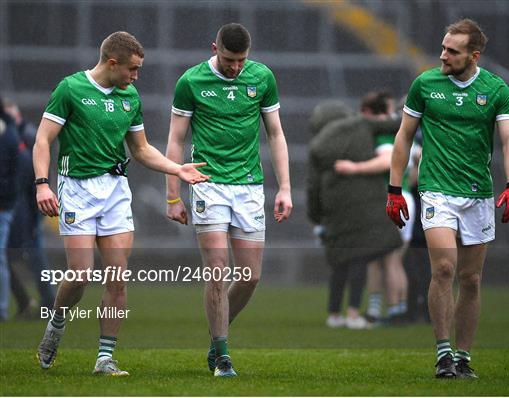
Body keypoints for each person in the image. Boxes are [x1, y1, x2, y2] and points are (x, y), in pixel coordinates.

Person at [34, 31, 209, 376]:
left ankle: (105, 358)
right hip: (77, 191)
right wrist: (42, 185)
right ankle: (56, 324)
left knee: (117, 278)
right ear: (112, 63)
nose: (136, 76)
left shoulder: (130, 96)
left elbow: (141, 150)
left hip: (115, 191)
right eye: (132, 69)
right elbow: (43, 139)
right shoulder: (70, 89)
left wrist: (177, 168)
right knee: (81, 275)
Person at [387, 19, 509, 379]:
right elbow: (403, 137)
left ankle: (463, 357)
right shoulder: (425, 85)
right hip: (436, 190)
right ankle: (443, 353)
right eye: (443, 48)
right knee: (444, 269)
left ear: (473, 56)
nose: (443, 55)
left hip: (477, 193)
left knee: (471, 279)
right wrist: (394, 189)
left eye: (452, 51)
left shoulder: (496, 90)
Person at [165, 23, 293, 377]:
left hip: (250, 186)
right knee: (218, 270)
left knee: (250, 276)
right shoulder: (191, 82)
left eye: (241, 60)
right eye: (228, 59)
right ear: (214, 49)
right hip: (208, 184)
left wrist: (284, 188)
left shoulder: (262, 77)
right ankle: (222, 355)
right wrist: (173, 194)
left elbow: (276, 133)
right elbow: (175, 140)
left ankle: (217, 332)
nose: (235, 67)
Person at [307, 100, 402, 330]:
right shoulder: (362, 125)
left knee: (340, 263)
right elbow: (397, 125)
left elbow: (312, 187)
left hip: (334, 210)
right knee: (360, 259)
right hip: (366, 207)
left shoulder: (317, 146)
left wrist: (317, 218)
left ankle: (334, 313)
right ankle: (353, 313)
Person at [335, 92, 420, 325]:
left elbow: (386, 161)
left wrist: (354, 168)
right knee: (391, 261)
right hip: (405, 198)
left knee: (386, 261)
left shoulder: (384, 133)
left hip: (391, 198)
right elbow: (417, 168)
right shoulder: (404, 133)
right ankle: (397, 310)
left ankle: (391, 312)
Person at [4, 99, 55, 317]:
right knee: (14, 255)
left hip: (28, 205)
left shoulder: (25, 137)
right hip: (21, 203)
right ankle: (30, 301)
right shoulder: (20, 135)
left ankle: (48, 302)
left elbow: (31, 172)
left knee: (33, 253)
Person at [0, 97, 20, 321]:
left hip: (3, 205)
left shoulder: (7, 134)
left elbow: (11, 171)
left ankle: (2, 309)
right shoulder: (10, 132)